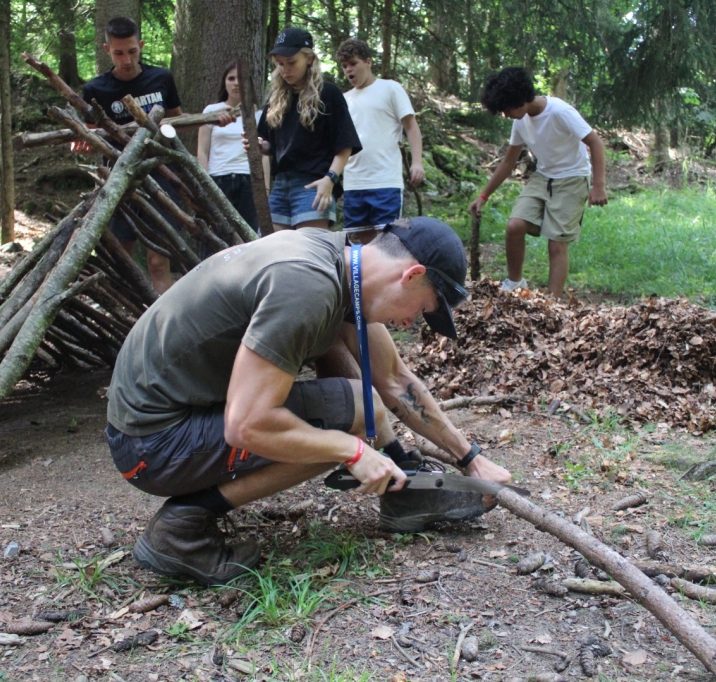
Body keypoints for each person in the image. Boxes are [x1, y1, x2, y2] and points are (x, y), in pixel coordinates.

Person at [104, 217, 513, 585]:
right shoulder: (307, 286)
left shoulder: (341, 263)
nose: (410, 323)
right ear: (412, 275)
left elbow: (393, 379)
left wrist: (469, 457)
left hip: (169, 420)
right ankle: (182, 527)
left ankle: (401, 484)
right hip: (149, 444)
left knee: (357, 403)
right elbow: (246, 424)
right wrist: (351, 449)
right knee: (346, 419)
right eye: (422, 309)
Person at [468, 67, 607, 298]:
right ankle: (515, 283)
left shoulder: (560, 112)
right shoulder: (520, 120)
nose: (505, 115)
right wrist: (483, 195)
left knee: (556, 244)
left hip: (572, 178)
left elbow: (596, 143)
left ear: (520, 100)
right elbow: (508, 162)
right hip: (543, 177)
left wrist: (599, 186)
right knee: (514, 226)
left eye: (506, 109)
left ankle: (551, 305)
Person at [77, 16, 183, 294]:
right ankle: (122, 318)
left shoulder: (161, 78)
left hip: (160, 175)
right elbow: (91, 137)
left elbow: (177, 122)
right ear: (107, 50)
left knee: (159, 261)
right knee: (119, 257)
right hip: (118, 179)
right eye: (119, 52)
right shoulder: (95, 90)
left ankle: (163, 323)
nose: (126, 59)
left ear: (141, 46)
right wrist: (83, 143)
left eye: (132, 51)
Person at [253, 27, 361, 231]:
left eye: (291, 63)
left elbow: (345, 145)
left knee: (308, 255)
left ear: (309, 59)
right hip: (280, 186)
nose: (285, 70)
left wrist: (330, 179)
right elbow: (270, 145)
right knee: (270, 251)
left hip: (313, 185)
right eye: (280, 64)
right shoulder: (276, 99)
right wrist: (259, 145)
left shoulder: (328, 94)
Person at [336, 39, 424, 229]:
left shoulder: (390, 88)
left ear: (368, 62)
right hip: (353, 184)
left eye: (353, 63)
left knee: (387, 244)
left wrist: (417, 162)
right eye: (344, 66)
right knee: (356, 246)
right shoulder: (344, 100)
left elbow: (411, 127)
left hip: (385, 183)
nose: (348, 70)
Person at [197, 61, 270, 234]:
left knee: (248, 235)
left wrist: (265, 189)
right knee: (216, 234)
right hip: (218, 179)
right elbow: (202, 150)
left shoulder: (259, 115)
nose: (236, 83)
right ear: (224, 82)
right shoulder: (211, 111)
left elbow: (265, 155)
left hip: (249, 182)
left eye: (240, 78)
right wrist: (206, 183)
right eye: (231, 78)